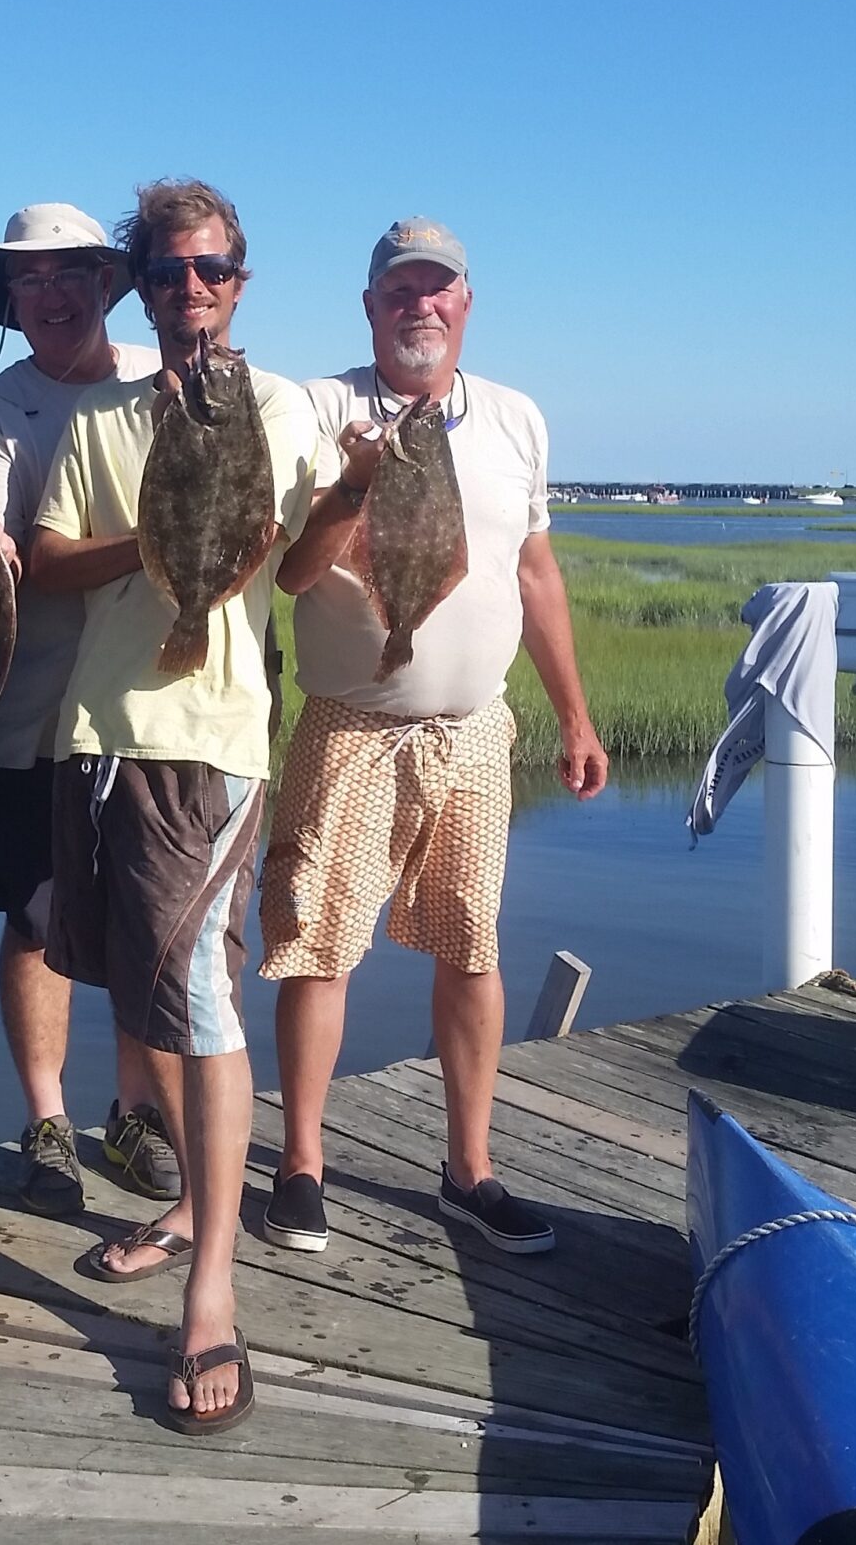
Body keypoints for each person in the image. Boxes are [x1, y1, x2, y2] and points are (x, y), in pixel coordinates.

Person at [28, 179, 324, 1433]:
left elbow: (300, 559)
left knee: (202, 990)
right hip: (97, 734)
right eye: (166, 271)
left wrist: (355, 496)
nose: (189, 289)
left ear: (240, 280)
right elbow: (45, 565)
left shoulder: (281, 405)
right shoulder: (101, 417)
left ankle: (214, 1291)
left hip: (208, 740)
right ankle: (194, 1203)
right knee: (138, 981)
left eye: (210, 269)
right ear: (140, 287)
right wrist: (151, 547)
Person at [260, 216, 608, 1258]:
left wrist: (578, 714)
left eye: (438, 289)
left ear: (465, 304)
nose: (420, 305)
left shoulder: (516, 419)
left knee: (472, 945)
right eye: (399, 290)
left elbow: (534, 574)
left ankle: (470, 1167)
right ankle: (302, 1165)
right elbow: (295, 572)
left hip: (474, 732)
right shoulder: (322, 409)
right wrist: (355, 484)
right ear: (369, 306)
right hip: (350, 728)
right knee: (320, 948)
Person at [0, 206, 164, 1218]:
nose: (48, 296)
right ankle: (47, 1121)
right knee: (36, 918)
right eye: (26, 282)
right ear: (9, 300)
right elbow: (2, 544)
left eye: (67, 275)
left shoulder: (157, 383)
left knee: (140, 917)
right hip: (33, 711)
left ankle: (131, 1111)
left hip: (147, 712)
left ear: (105, 282)